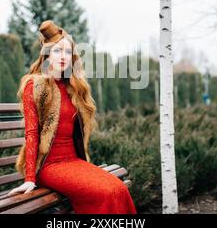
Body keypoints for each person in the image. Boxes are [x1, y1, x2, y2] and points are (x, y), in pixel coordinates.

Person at [7, 20, 137, 214]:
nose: (63, 56)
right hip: (49, 166)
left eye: (68, 52)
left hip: (74, 161)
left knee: (117, 188)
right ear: (47, 54)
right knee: (105, 193)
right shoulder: (35, 86)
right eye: (57, 51)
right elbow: (31, 132)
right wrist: (30, 179)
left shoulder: (73, 88)